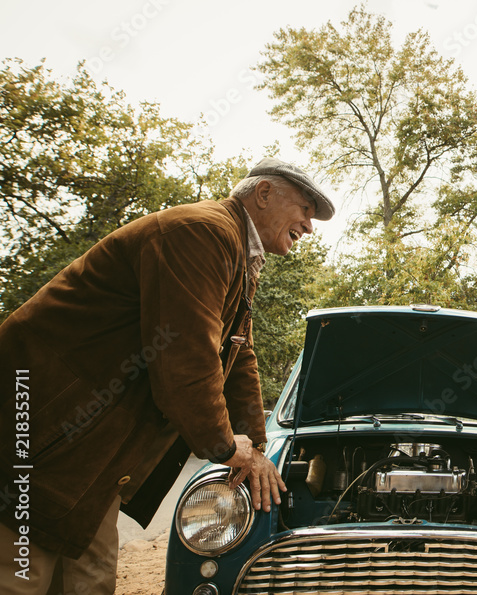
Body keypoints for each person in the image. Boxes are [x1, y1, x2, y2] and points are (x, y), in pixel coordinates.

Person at [0, 158, 335, 594]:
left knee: (91, 578)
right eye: (306, 208)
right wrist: (225, 447)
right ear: (265, 193)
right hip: (44, 429)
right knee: (22, 573)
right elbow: (186, 357)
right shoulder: (202, 232)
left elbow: (239, 355)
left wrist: (256, 446)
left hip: (93, 447)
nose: (309, 226)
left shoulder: (237, 251)